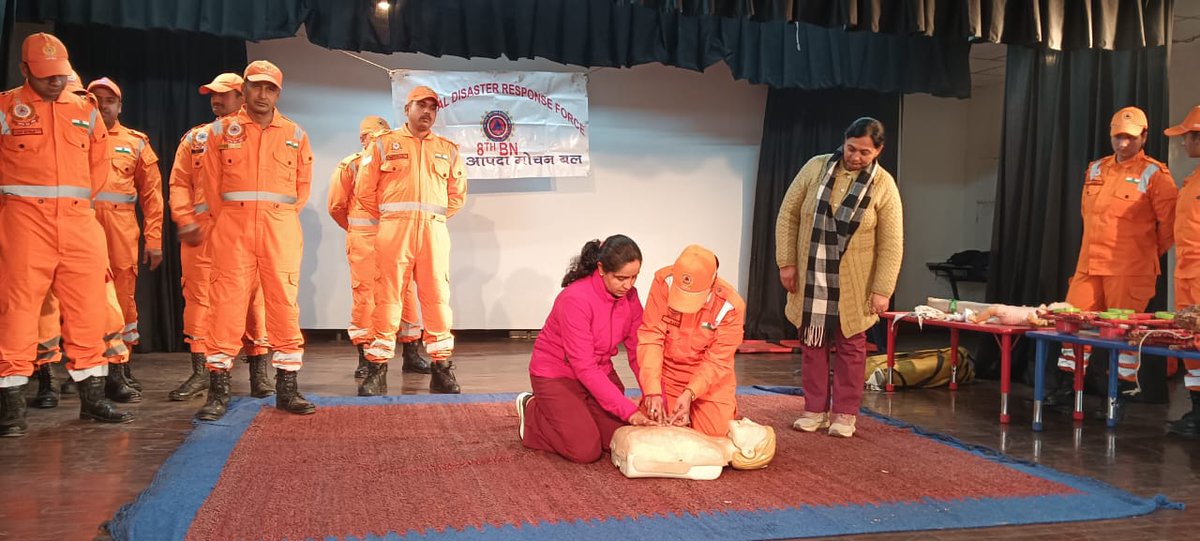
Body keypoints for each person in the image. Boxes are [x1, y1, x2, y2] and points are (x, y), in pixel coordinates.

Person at [0, 33, 134, 437]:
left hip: (79, 223)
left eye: (60, 75)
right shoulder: (6, 106)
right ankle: (11, 407)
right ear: (25, 70)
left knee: (88, 309)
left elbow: (96, 166)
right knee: (19, 312)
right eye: (45, 77)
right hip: (24, 223)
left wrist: (73, 207)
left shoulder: (86, 109)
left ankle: (92, 400)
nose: (55, 83)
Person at [194, 60, 315, 420]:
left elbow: (302, 189)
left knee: (283, 305)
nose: (262, 95)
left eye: (270, 88)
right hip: (233, 228)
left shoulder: (295, 134)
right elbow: (210, 188)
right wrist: (232, 220)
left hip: (280, 229)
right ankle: (218, 393)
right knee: (226, 306)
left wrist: (276, 217)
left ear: (278, 93)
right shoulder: (220, 132)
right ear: (244, 89)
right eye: (256, 86)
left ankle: (287, 389)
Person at [775, 117, 903, 438]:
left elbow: (891, 242)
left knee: (851, 346)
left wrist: (882, 289)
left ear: (878, 151)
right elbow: (788, 214)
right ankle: (814, 409)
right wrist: (786, 262)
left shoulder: (884, 184)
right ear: (843, 141)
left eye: (864, 152)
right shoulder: (816, 167)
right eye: (851, 148)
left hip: (855, 282)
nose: (855, 157)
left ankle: (845, 414)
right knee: (813, 342)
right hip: (812, 274)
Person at [1050, 106, 1178, 410]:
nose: (1123, 144)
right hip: (1090, 265)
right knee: (1070, 325)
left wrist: (1143, 254)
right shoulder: (1096, 169)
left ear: (1144, 136)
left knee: (1125, 336)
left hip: (1130, 270)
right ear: (1110, 135)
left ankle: (1119, 397)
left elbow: (1171, 227)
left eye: (1130, 138)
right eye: (1118, 137)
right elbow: (1087, 215)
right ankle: (1070, 389)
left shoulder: (1154, 175)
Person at [166, 72, 273, 402]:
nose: (216, 99)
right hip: (202, 234)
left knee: (254, 299)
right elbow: (179, 182)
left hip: (244, 232)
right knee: (199, 299)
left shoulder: (262, 136)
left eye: (224, 94)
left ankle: (259, 374)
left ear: (242, 97)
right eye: (212, 94)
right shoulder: (195, 138)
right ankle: (201, 373)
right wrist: (184, 219)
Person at [355, 85, 467, 394]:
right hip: (394, 232)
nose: (428, 112)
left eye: (433, 107)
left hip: (433, 232)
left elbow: (456, 197)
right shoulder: (382, 144)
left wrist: (431, 218)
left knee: (437, 300)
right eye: (421, 105)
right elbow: (364, 192)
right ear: (407, 109)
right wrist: (395, 218)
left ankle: (442, 369)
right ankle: (377, 370)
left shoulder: (449, 149)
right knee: (387, 299)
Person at [516, 235, 654, 463]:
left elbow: (639, 351)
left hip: (599, 372)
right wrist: (629, 411)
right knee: (585, 450)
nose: (628, 285)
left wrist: (653, 394)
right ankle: (532, 412)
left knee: (619, 439)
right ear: (601, 269)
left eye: (634, 277)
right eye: (621, 278)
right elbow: (584, 367)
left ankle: (579, 416)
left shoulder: (630, 296)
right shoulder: (575, 299)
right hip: (558, 375)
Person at [327, 115, 430, 389]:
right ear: (362, 139)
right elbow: (337, 206)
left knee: (406, 293)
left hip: (396, 237)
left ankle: (411, 352)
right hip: (365, 240)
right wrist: (357, 231)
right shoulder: (350, 166)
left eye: (383, 134)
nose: (379, 140)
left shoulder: (397, 160)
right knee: (366, 297)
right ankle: (365, 357)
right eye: (373, 136)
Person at [85, 76, 165, 402]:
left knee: (121, 299)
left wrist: (155, 240)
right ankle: (89, 369)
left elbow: (153, 195)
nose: (103, 106)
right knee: (78, 301)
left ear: (120, 106)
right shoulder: (72, 135)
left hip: (119, 228)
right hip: (80, 225)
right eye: (96, 100)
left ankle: (119, 369)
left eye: (109, 100)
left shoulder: (136, 142)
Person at [638, 244, 745, 438]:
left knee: (715, 435)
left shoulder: (731, 306)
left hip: (712, 380)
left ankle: (721, 409)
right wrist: (652, 389)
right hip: (669, 374)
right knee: (655, 429)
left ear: (713, 281)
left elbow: (718, 361)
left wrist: (690, 393)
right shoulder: (663, 282)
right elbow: (651, 337)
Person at [1165, 104, 1200, 437]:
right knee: (1191, 343)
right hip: (1186, 273)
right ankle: (1197, 411)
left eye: (1187, 137)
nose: (1184, 143)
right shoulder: (1193, 180)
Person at [610, 417, 776, 479]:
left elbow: (640, 463)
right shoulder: (712, 444)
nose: (747, 419)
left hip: (632, 444)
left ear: (748, 452)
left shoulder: (714, 456)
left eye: (753, 426)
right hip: (629, 440)